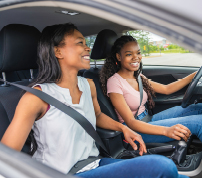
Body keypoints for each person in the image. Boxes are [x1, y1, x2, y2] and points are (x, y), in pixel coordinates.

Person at [0, 24, 188, 178]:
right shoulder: (35, 97)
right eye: (80, 43)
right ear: (58, 51)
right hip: (60, 173)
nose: (87, 47)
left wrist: (124, 128)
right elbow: (6, 159)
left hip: (94, 163)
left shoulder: (88, 84)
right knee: (161, 167)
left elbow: (96, 115)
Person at [100, 35, 202, 145]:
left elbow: (166, 89)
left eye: (138, 53)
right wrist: (166, 130)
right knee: (199, 122)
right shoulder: (114, 82)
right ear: (119, 57)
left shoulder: (138, 76)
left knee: (200, 108)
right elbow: (131, 122)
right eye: (129, 54)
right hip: (135, 130)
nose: (136, 57)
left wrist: (197, 74)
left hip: (147, 119)